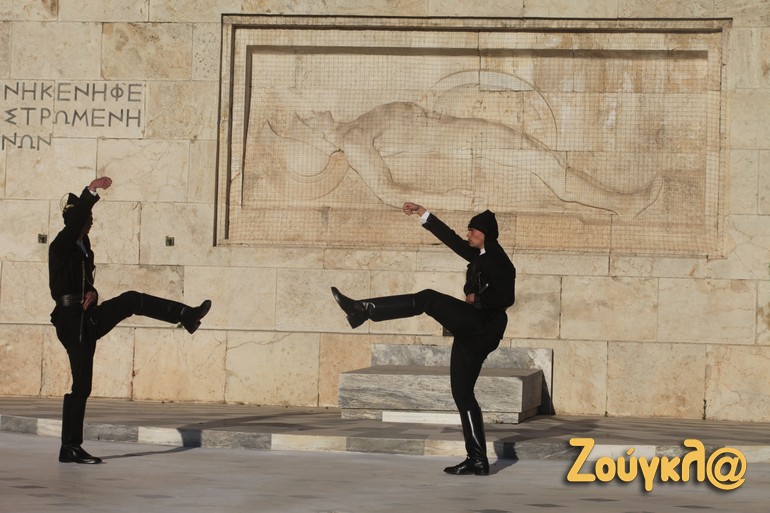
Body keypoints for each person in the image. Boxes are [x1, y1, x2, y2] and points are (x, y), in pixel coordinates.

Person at [331, 202, 515, 475]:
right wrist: (422, 213)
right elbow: (451, 239)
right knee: (462, 393)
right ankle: (477, 459)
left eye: (472, 231)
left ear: (484, 233)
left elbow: (507, 297)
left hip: (484, 323)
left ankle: (364, 309)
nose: (468, 234)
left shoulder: (498, 259)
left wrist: (477, 298)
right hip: (473, 331)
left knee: (428, 298)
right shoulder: (479, 254)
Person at [48, 176, 212, 464]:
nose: (90, 223)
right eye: (86, 219)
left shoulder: (84, 247)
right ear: (74, 220)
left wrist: (93, 293)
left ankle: (186, 315)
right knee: (82, 386)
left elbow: (84, 283)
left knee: (132, 300)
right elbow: (73, 237)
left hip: (88, 317)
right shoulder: (61, 245)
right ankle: (70, 447)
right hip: (72, 322)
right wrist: (90, 191)